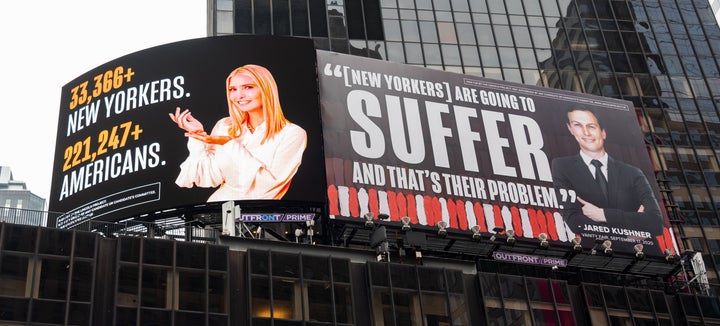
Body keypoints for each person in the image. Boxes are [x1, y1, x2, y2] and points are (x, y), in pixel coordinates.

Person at [169, 64, 307, 201]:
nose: (239, 95)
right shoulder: (225, 126)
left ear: (266, 89)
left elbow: (265, 187)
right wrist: (197, 135)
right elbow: (209, 177)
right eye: (233, 89)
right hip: (216, 212)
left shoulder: (292, 134)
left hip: (258, 218)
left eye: (248, 87)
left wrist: (230, 144)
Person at [551, 108, 663, 250]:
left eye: (591, 126)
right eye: (578, 125)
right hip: (597, 257)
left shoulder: (633, 173)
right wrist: (631, 229)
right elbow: (574, 221)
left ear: (603, 132)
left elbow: (655, 223)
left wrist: (603, 215)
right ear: (570, 129)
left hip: (645, 257)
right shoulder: (562, 166)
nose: (586, 132)